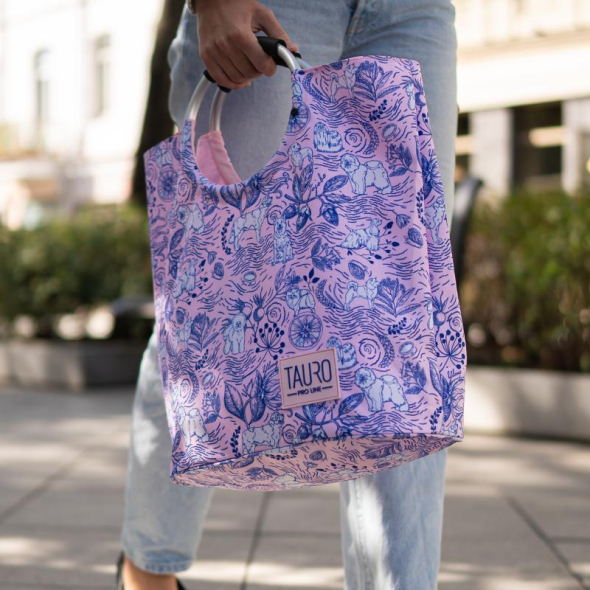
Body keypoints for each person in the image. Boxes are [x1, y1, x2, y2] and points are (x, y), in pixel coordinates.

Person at [119, 1, 458, 588]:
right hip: (278, 6)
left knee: (403, 316)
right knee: (209, 304)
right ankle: (147, 570)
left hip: (413, 11)